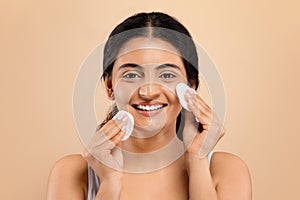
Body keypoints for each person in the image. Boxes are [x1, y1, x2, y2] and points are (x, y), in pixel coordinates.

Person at [46, 12, 252, 200]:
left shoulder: (226, 170)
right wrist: (110, 184)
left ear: (191, 87)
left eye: (167, 75)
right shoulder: (71, 173)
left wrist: (197, 162)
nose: (148, 92)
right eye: (132, 75)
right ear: (109, 86)